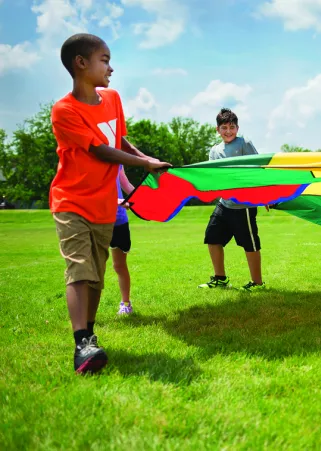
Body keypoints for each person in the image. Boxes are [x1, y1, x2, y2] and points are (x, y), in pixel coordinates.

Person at [51, 33, 170, 374]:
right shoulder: (64, 111)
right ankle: (82, 343)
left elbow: (118, 140)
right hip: (71, 201)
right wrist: (145, 164)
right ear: (81, 63)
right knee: (80, 268)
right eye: (104, 60)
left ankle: (89, 335)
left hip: (105, 205)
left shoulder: (113, 98)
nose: (111, 67)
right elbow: (100, 151)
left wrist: (147, 157)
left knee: (98, 278)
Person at [197, 108, 266, 291]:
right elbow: (213, 177)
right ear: (217, 129)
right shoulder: (214, 151)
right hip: (224, 204)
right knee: (212, 237)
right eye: (224, 127)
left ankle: (257, 283)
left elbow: (258, 168)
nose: (229, 131)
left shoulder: (244, 143)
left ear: (238, 128)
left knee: (250, 244)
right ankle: (220, 278)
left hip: (244, 206)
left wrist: (265, 195)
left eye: (232, 127)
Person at [112, 165, 135, 315]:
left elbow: (124, 182)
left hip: (118, 219)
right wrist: (115, 199)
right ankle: (87, 309)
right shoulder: (90, 156)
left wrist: (141, 197)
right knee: (95, 266)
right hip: (96, 219)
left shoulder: (118, 160)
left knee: (119, 266)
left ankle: (126, 304)